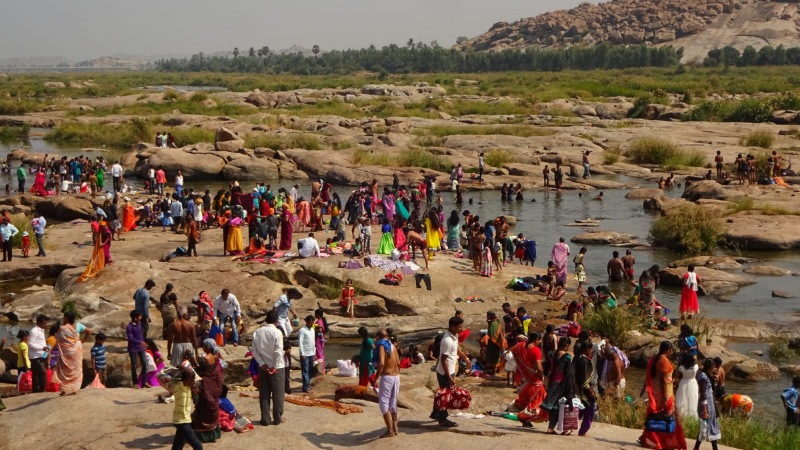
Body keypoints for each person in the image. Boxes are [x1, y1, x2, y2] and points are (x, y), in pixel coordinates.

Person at [639, 341, 686, 449]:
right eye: (671, 350)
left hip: (656, 393)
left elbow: (651, 375)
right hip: (664, 393)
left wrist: (644, 386)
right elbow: (663, 381)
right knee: (665, 417)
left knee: (656, 417)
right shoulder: (664, 361)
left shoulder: (654, 358)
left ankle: (649, 438)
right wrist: (665, 398)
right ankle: (665, 441)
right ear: (668, 350)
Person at [252, 310, 287, 426]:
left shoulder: (257, 332)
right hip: (277, 368)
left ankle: (265, 419)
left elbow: (254, 351)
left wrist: (262, 364)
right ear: (276, 321)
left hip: (263, 368)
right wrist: (275, 366)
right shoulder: (277, 333)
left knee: (264, 394)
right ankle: (277, 418)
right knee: (278, 394)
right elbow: (278, 351)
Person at [432, 316, 463, 428]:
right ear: (453, 327)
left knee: (443, 393)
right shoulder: (447, 341)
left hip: (450, 369)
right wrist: (449, 377)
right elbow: (443, 359)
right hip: (446, 372)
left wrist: (466, 357)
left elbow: (456, 348)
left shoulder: (454, 335)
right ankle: (442, 419)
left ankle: (435, 413)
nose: (461, 329)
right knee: (446, 395)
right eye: (459, 327)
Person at [542, 336, 576, 435]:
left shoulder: (551, 354)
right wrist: (570, 390)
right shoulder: (567, 357)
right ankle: (566, 428)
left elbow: (545, 368)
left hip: (552, 382)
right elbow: (569, 374)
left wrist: (546, 381)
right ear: (567, 345)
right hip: (562, 384)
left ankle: (550, 428)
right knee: (563, 405)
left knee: (553, 406)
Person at [512, 332, 547, 426]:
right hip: (533, 379)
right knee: (539, 398)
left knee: (527, 398)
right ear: (536, 340)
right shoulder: (535, 350)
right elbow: (538, 367)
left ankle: (526, 420)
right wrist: (542, 376)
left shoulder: (521, 347)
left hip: (522, 377)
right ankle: (524, 416)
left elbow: (511, 351)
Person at [192, 340, 223, 442]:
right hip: (214, 385)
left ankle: (203, 434)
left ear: (208, 347)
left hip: (206, 386)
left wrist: (190, 358)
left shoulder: (204, 359)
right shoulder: (215, 355)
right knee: (212, 407)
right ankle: (213, 434)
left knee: (203, 408)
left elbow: (197, 369)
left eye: (204, 346)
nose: (203, 347)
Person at [171, 364, 204, 450]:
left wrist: (196, 393)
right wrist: (180, 365)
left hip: (185, 420)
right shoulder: (180, 386)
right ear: (186, 379)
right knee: (198, 446)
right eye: (192, 380)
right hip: (181, 421)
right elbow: (189, 373)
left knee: (178, 445)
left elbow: (196, 402)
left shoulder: (188, 388)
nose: (193, 382)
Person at [376, 328, 401, 438]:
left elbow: (381, 363)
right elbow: (399, 363)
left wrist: (376, 377)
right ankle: (395, 428)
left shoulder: (382, 345)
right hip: (396, 377)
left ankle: (389, 430)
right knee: (393, 401)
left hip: (387, 377)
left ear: (377, 338)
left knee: (384, 403)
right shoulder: (392, 345)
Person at [51, 311, 84, 396]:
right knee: (76, 368)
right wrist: (83, 340)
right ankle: (75, 389)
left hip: (67, 352)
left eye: (64, 317)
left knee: (64, 369)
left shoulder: (62, 328)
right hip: (77, 349)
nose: (63, 318)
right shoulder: (76, 325)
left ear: (66, 318)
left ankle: (64, 390)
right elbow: (88, 331)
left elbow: (56, 336)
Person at [695, 359, 722, 450]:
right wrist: (705, 410)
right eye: (714, 366)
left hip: (710, 404)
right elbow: (703, 394)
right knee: (708, 425)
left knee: (707, 426)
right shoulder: (703, 376)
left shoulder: (705, 374)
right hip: (706, 405)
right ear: (711, 366)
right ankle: (714, 448)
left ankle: (696, 447)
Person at [574, 341, 596, 436]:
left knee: (580, 409)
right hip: (584, 391)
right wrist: (590, 391)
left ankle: (570, 426)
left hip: (576, 388)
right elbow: (584, 378)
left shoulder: (577, 358)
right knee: (588, 411)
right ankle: (583, 431)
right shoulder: (584, 361)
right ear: (588, 349)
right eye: (591, 349)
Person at [127, 310, 151, 389]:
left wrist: (143, 342)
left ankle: (144, 382)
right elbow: (130, 339)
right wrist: (140, 342)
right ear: (135, 318)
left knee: (144, 364)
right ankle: (135, 383)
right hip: (133, 348)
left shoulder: (139, 324)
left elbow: (140, 335)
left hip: (141, 348)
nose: (141, 318)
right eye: (139, 316)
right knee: (134, 365)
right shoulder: (129, 327)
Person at [675, 353, 699, 419]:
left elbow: (679, 376)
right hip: (693, 382)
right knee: (693, 398)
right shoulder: (695, 367)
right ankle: (692, 415)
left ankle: (681, 415)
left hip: (684, 382)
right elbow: (697, 374)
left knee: (682, 398)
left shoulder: (681, 368)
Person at [298, 315, 316, 393]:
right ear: (306, 322)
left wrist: (314, 352)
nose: (311, 324)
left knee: (311, 370)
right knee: (305, 370)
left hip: (311, 353)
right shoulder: (302, 330)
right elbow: (300, 342)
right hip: (305, 354)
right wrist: (302, 353)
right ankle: (306, 387)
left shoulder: (312, 330)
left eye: (312, 322)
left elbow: (313, 341)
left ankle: (307, 385)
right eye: (310, 322)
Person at [314, 307, 328, 373]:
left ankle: (321, 370)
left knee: (319, 354)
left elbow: (320, 330)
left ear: (318, 315)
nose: (315, 315)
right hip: (322, 339)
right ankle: (322, 368)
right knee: (321, 353)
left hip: (319, 339)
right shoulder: (322, 320)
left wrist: (315, 331)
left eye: (315, 314)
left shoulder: (319, 321)